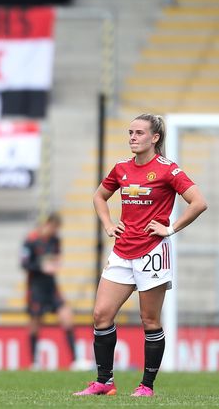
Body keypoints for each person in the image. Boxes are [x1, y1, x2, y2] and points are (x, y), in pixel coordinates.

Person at [74, 113, 207, 397]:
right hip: (122, 250)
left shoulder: (168, 170)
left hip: (152, 252)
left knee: (149, 320)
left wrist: (170, 228)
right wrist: (109, 224)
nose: (132, 138)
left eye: (139, 133)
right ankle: (104, 382)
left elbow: (199, 202)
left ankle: (146, 386)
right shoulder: (121, 168)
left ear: (155, 138)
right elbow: (99, 196)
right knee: (101, 315)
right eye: (130, 133)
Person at [21, 212, 80, 370]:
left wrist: (56, 262)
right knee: (35, 324)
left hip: (51, 287)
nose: (56, 231)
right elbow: (24, 264)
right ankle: (34, 362)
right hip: (36, 288)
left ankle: (75, 361)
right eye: (54, 227)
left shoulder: (55, 240)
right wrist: (42, 267)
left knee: (67, 317)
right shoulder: (31, 241)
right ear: (47, 224)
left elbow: (56, 258)